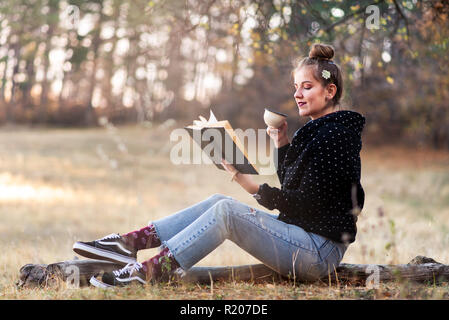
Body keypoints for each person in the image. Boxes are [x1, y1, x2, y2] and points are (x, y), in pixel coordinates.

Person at [73, 43, 365, 288]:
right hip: (302, 236)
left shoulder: (335, 135)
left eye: (307, 87)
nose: (297, 94)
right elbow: (293, 186)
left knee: (226, 212)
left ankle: (149, 272)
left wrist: (247, 184)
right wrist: (281, 142)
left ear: (329, 91)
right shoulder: (314, 131)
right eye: (296, 87)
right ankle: (128, 244)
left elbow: (305, 204)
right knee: (218, 201)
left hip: (317, 252)